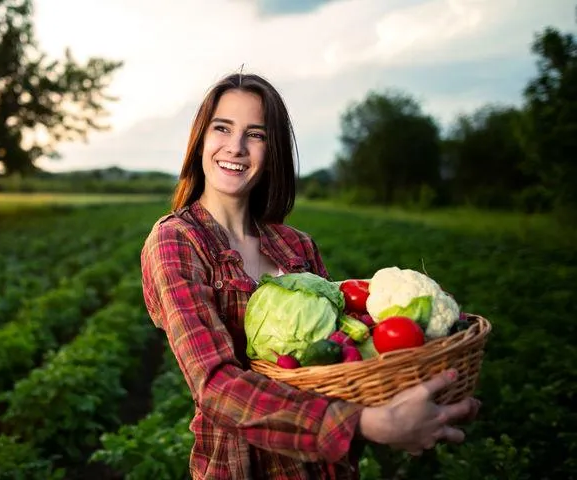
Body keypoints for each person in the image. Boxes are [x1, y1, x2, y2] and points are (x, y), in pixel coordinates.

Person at [139, 72, 481, 479]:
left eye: (256, 134)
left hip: (327, 468)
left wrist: (406, 407)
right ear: (201, 139)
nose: (236, 147)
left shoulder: (296, 245)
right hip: (242, 467)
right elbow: (215, 386)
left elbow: (340, 361)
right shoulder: (177, 241)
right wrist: (366, 425)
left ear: (273, 149)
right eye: (222, 128)